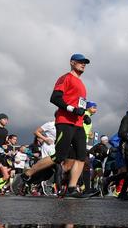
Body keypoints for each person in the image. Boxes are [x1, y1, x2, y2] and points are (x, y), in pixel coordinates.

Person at [14, 53, 91, 198]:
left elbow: (79, 104)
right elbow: (54, 98)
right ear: (72, 63)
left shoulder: (82, 84)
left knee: (82, 156)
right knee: (59, 156)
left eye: (85, 63)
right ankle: (27, 174)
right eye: (80, 62)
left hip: (78, 124)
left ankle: (72, 189)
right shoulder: (65, 78)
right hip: (65, 122)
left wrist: (84, 115)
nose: (83, 64)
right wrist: (72, 109)